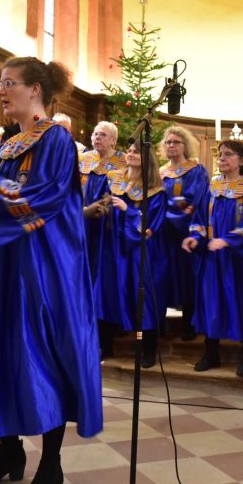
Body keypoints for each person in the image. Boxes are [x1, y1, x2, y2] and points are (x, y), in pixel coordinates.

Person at [0, 56, 102, 484]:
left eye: (9, 83)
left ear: (35, 90)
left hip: (44, 268)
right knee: (2, 350)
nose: (1, 91)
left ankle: (50, 469)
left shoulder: (56, 140)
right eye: (0, 83)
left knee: (42, 356)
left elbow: (44, 199)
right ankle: (9, 452)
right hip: (6, 263)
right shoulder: (11, 144)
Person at [182, 140, 243, 378]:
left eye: (228, 155)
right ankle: (211, 353)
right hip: (213, 259)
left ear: (242, 160)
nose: (222, 158)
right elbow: (199, 218)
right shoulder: (212, 186)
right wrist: (195, 237)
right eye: (220, 154)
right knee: (212, 303)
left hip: (240, 261)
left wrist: (229, 240)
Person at [98, 141, 167, 368]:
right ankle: (104, 346)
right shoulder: (114, 179)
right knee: (107, 294)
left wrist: (129, 212)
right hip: (112, 247)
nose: (130, 154)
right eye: (129, 150)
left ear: (148, 158)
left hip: (140, 252)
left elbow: (151, 226)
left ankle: (147, 348)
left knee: (142, 298)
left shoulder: (155, 190)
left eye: (136, 151)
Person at [79, 121, 126, 358]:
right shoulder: (84, 159)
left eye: (103, 134)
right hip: (81, 228)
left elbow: (118, 194)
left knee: (102, 284)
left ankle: (104, 342)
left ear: (113, 140)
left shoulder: (122, 162)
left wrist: (98, 208)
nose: (97, 137)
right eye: (95, 133)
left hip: (105, 232)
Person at [159, 125, 209, 341]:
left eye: (176, 142)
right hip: (162, 233)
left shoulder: (196, 170)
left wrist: (170, 214)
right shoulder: (159, 172)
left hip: (186, 233)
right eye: (168, 142)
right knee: (163, 275)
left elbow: (196, 201)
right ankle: (159, 325)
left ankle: (190, 324)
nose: (171, 145)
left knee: (189, 277)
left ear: (185, 145)